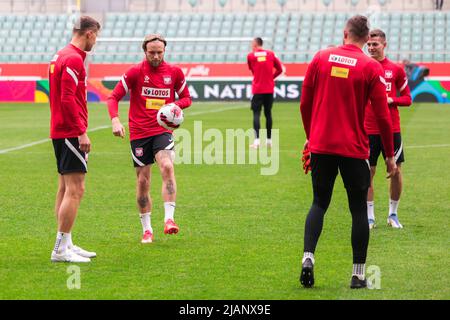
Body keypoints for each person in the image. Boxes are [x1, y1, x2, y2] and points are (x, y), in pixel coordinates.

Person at [299, 15, 397, 289]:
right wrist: (389, 156)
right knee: (357, 210)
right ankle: (358, 274)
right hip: (354, 150)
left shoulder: (320, 58)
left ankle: (308, 257)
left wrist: (311, 138)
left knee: (319, 202)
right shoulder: (370, 66)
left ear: (345, 33)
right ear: (367, 40)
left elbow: (304, 103)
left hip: (322, 146)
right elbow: (383, 117)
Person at [107, 34, 192, 244]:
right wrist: (115, 121)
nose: (156, 56)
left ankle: (169, 220)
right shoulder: (136, 72)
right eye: (152, 52)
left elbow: (187, 98)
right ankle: (147, 229)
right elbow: (113, 97)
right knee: (143, 181)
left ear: (164, 51)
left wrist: (173, 107)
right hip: (139, 133)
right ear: (145, 51)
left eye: (159, 52)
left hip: (162, 130)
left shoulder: (174, 72)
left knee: (167, 167)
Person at [49, 16, 101, 263]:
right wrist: (81, 131)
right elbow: (67, 98)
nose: (96, 42)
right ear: (89, 33)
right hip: (70, 131)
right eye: (96, 36)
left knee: (64, 187)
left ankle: (65, 243)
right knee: (76, 189)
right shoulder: (72, 58)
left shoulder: (61, 55)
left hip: (61, 129)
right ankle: (60, 249)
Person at [365, 29, 412, 229]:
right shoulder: (363, 67)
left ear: (384, 44)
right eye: (368, 44)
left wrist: (390, 99)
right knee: (367, 172)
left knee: (396, 172)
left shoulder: (396, 69)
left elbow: (408, 99)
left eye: (375, 44)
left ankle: (393, 214)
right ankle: (369, 217)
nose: (371, 48)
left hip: (391, 128)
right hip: (367, 129)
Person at [247, 37, 283, 148]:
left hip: (258, 89)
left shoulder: (251, 56)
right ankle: (269, 140)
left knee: (256, 114)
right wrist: (271, 78)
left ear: (255, 44)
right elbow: (280, 69)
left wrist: (259, 77)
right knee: (268, 114)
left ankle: (257, 141)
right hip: (269, 89)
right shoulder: (271, 54)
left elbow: (252, 70)